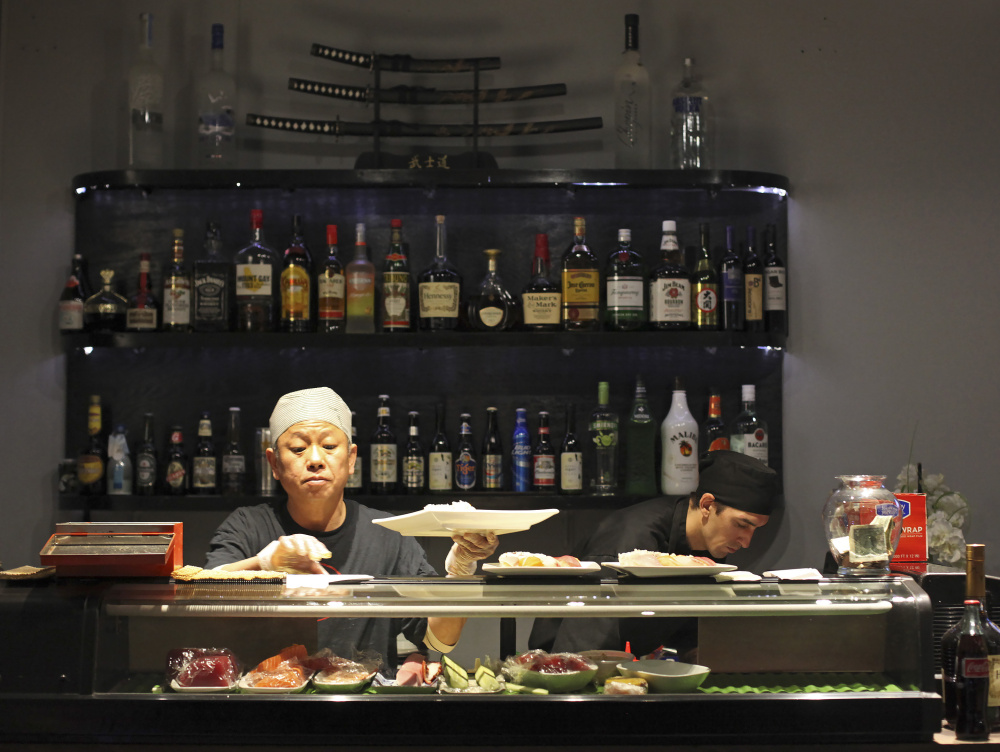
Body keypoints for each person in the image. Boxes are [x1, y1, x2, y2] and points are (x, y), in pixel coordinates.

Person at [205, 386, 499, 668]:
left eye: (330, 446)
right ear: (274, 464)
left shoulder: (388, 535)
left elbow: (439, 640)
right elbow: (201, 599)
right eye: (297, 448)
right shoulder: (246, 525)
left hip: (363, 699)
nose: (316, 460)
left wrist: (460, 568)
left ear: (351, 459)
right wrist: (263, 563)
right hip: (267, 698)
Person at [528, 450, 779, 658]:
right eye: (742, 525)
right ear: (706, 506)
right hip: (566, 661)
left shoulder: (710, 543)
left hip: (634, 661)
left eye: (755, 529)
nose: (746, 542)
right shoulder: (632, 538)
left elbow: (688, 620)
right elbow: (586, 637)